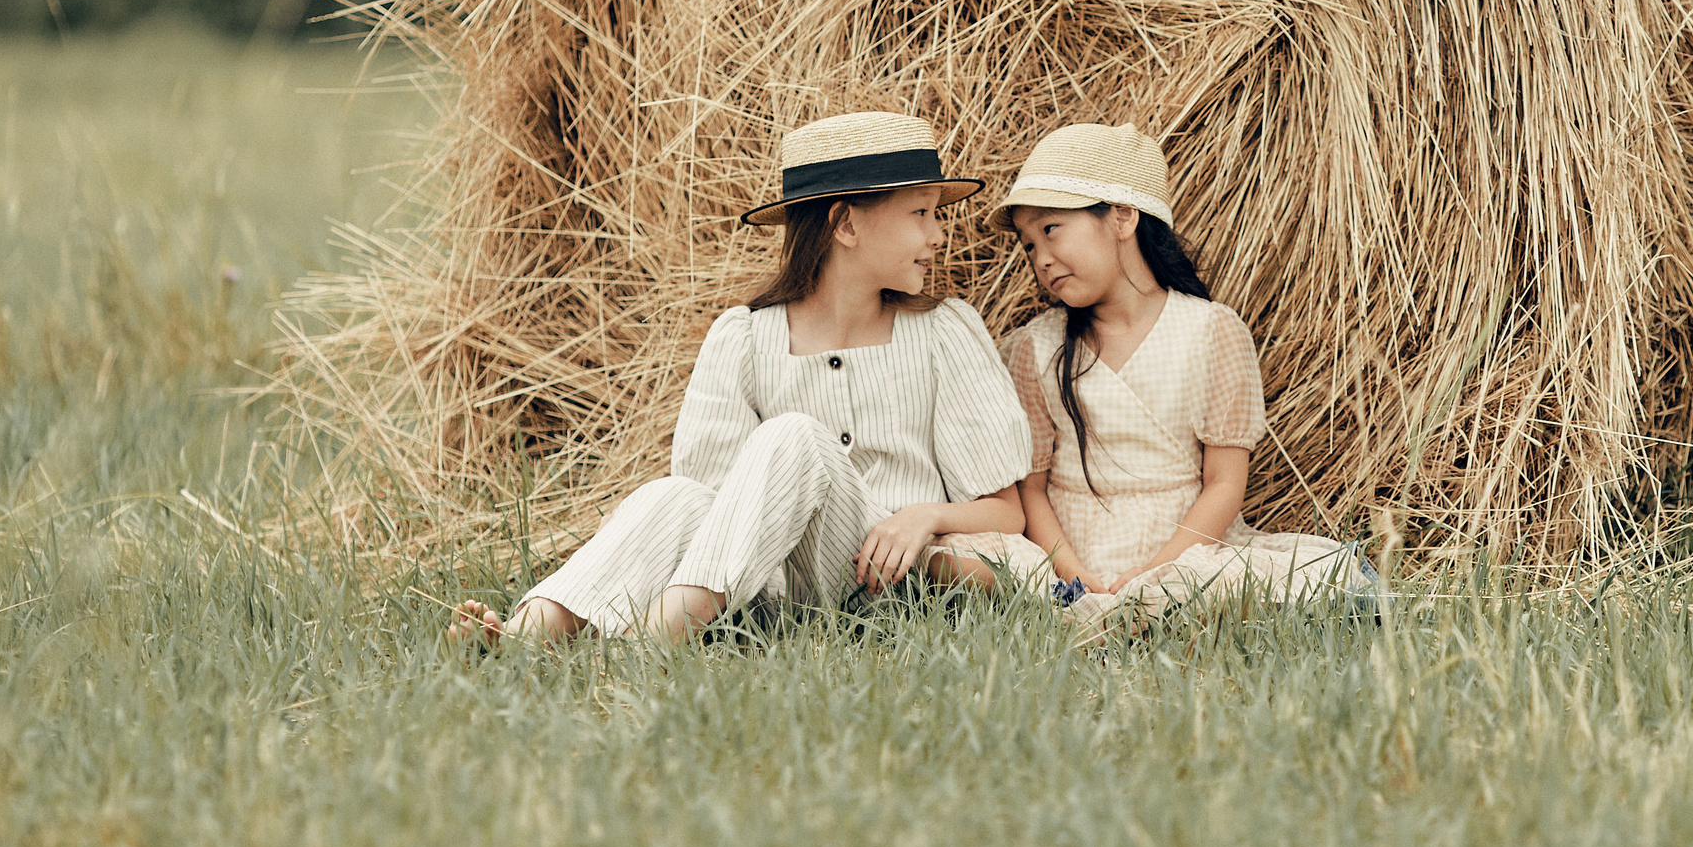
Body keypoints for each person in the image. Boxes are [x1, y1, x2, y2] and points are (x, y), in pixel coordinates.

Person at [449, 111, 1031, 648]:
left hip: (888, 588)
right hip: (771, 593)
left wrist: (925, 515)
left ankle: (652, 644)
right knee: (669, 495)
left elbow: (1006, 512)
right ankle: (530, 633)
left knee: (793, 436)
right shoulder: (744, 338)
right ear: (846, 223)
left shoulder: (943, 333)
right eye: (921, 214)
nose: (937, 236)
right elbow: (705, 505)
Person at [943, 124, 1362, 625]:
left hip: (1186, 550)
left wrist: (1158, 570)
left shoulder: (1210, 331)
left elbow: (1224, 483)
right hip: (1068, 552)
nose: (1042, 259)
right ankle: (1083, 606)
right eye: (1029, 245)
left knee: (1254, 581)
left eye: (1051, 230)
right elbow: (1032, 488)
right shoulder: (1035, 347)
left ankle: (1151, 605)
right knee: (958, 556)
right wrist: (1072, 573)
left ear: (1121, 218)